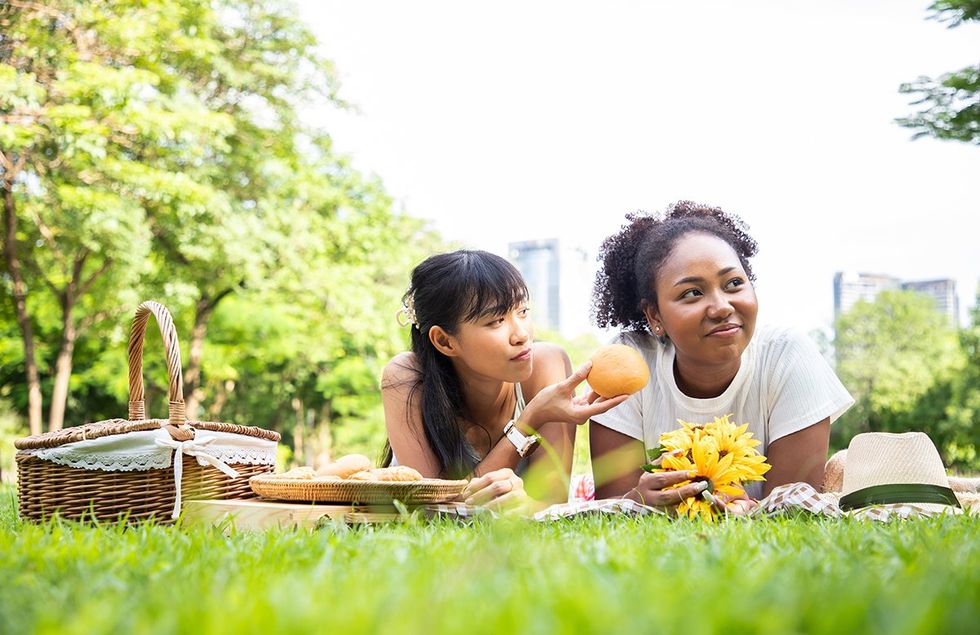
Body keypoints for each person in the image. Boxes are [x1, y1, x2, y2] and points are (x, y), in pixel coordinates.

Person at [589, 201, 854, 513]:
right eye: (692, 293)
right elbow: (610, 511)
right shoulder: (628, 363)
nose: (722, 307)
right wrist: (638, 500)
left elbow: (792, 509)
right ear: (654, 315)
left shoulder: (787, 355)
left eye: (733, 284)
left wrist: (748, 510)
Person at [381, 249, 627, 511]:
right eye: (496, 321)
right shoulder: (406, 376)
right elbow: (432, 509)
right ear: (444, 341)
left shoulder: (547, 364)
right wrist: (529, 421)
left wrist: (527, 505)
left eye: (523, 311)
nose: (522, 335)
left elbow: (551, 504)